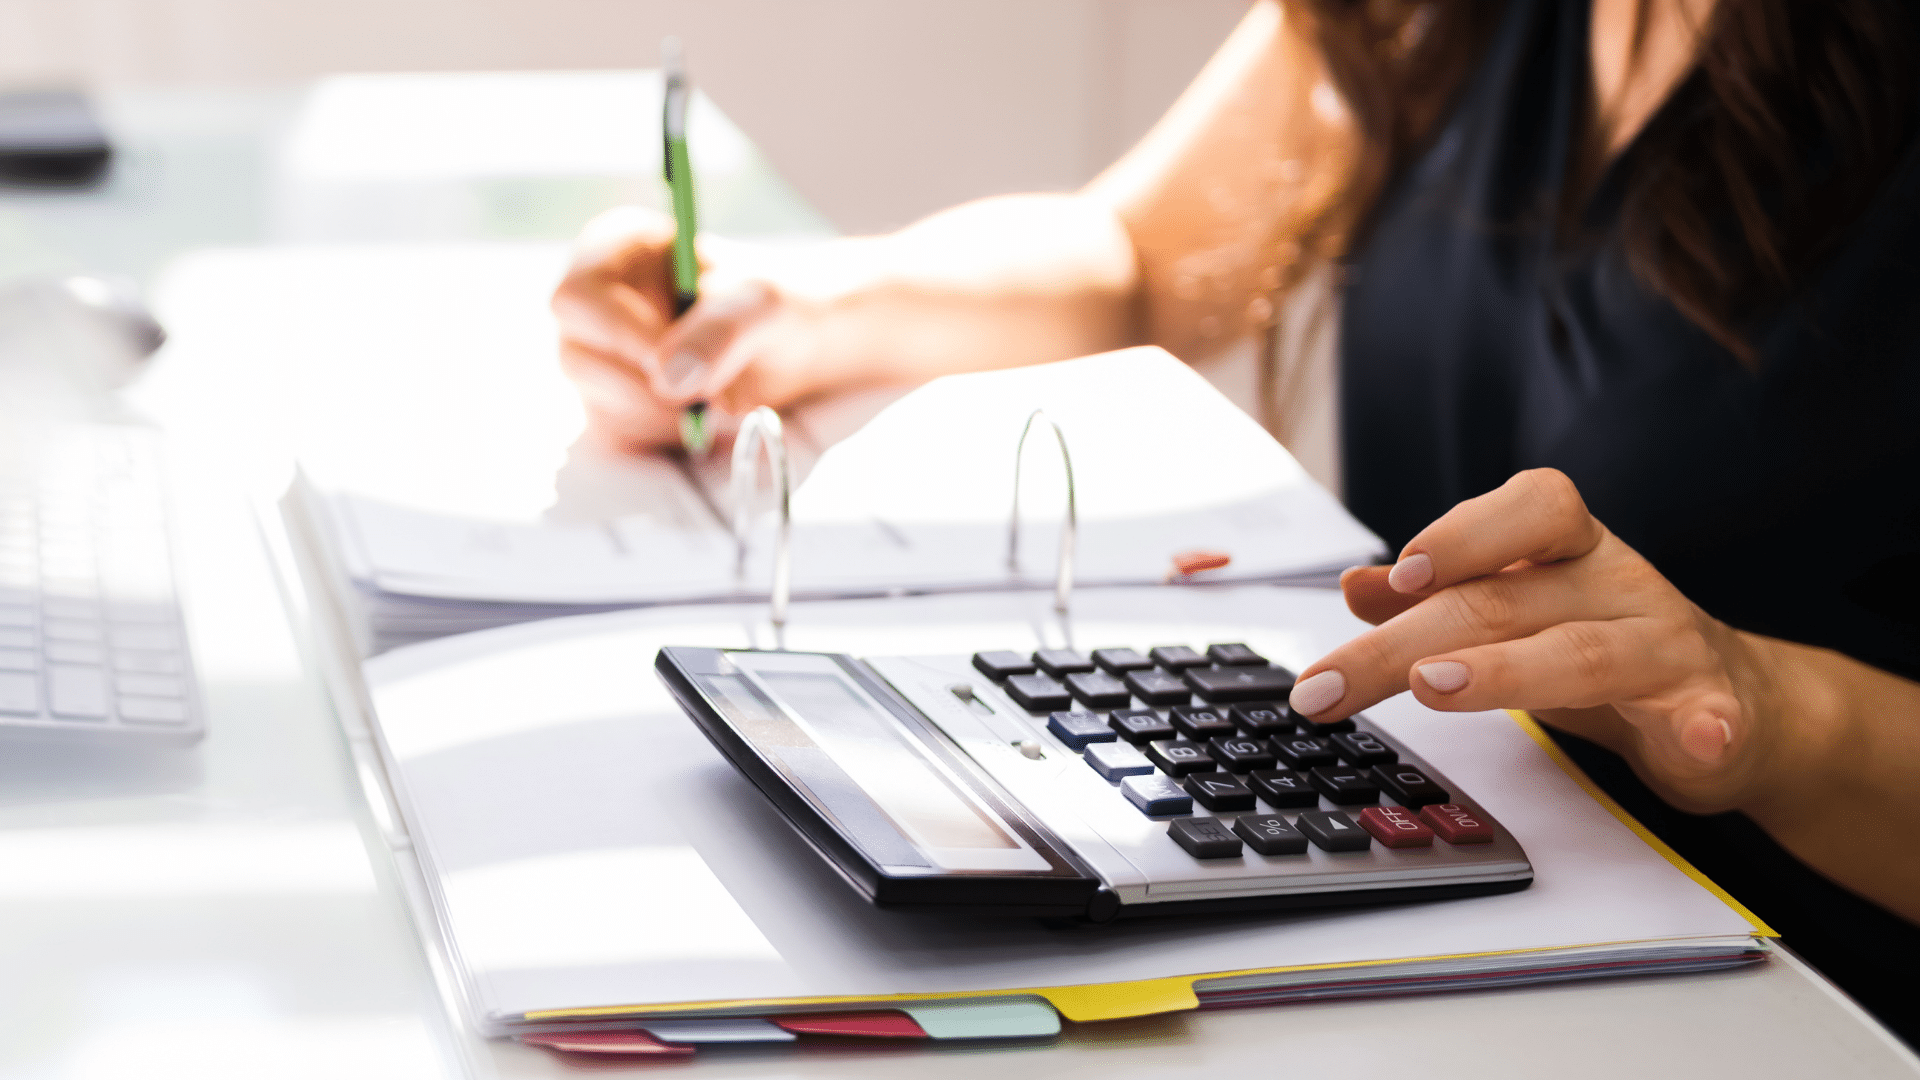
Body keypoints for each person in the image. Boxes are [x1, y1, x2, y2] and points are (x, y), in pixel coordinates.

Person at [552, 0, 1920, 1042]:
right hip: (1422, 931)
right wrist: (808, 313)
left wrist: (1766, 714)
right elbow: (1145, 256)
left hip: (1795, 1009)